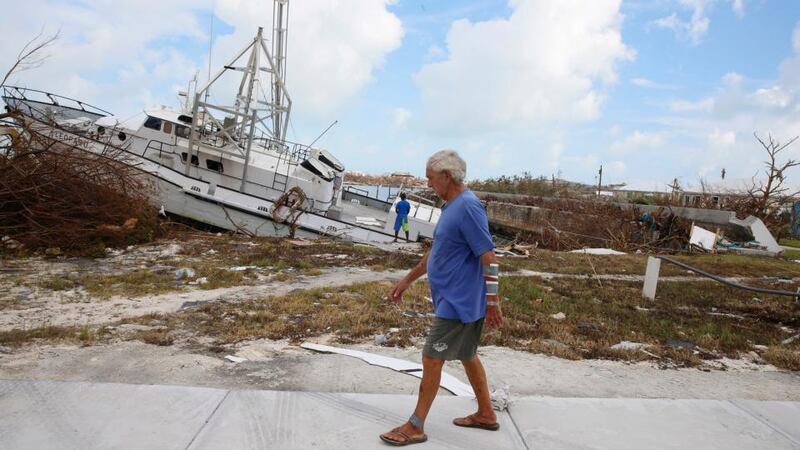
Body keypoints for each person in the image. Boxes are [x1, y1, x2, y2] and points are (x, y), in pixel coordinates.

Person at [380, 149, 504, 446]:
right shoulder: (451, 206)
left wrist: (493, 302)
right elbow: (438, 252)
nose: (428, 185)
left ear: (447, 177)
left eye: (430, 178)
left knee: (431, 358)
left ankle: (415, 426)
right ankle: (486, 414)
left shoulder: (469, 207)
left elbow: (489, 257)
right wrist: (407, 280)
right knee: (467, 354)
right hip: (454, 299)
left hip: (459, 302)